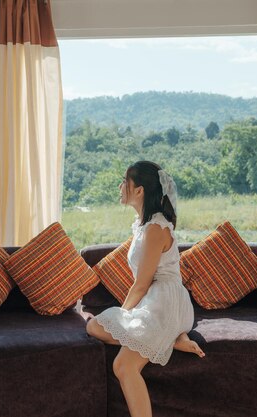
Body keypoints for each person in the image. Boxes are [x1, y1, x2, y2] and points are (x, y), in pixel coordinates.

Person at [86, 160, 204, 417]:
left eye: (124, 182)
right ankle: (171, 340)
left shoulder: (155, 229)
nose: (119, 187)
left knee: (124, 366)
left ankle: (169, 336)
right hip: (156, 301)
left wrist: (122, 315)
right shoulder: (144, 225)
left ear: (139, 190)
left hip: (166, 303)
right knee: (93, 326)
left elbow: (141, 284)